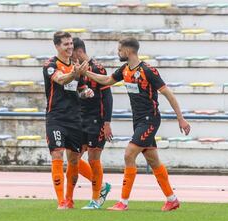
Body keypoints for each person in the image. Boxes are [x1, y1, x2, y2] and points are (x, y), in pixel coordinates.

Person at [81, 37, 191, 211]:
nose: (118, 53)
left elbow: (168, 93)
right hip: (138, 121)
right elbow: (106, 80)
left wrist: (180, 118)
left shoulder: (148, 71)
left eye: (119, 50)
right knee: (153, 161)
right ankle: (172, 199)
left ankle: (123, 202)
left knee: (129, 154)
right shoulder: (125, 70)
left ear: (128, 51)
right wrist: (85, 72)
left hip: (150, 119)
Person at [43, 32, 93, 209]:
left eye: (71, 44)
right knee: (57, 154)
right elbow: (61, 79)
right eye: (66, 44)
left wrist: (86, 92)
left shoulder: (76, 65)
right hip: (56, 117)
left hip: (74, 119)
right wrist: (75, 73)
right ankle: (60, 201)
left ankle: (70, 199)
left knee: (74, 160)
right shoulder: (50, 65)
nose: (70, 47)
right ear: (57, 46)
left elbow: (79, 89)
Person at [72, 37, 113, 210]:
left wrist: (107, 122)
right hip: (80, 119)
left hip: (96, 120)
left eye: (72, 53)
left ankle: (95, 199)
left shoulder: (97, 69)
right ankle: (102, 186)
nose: (70, 57)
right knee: (73, 158)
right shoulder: (74, 70)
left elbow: (107, 97)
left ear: (80, 52)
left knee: (93, 159)